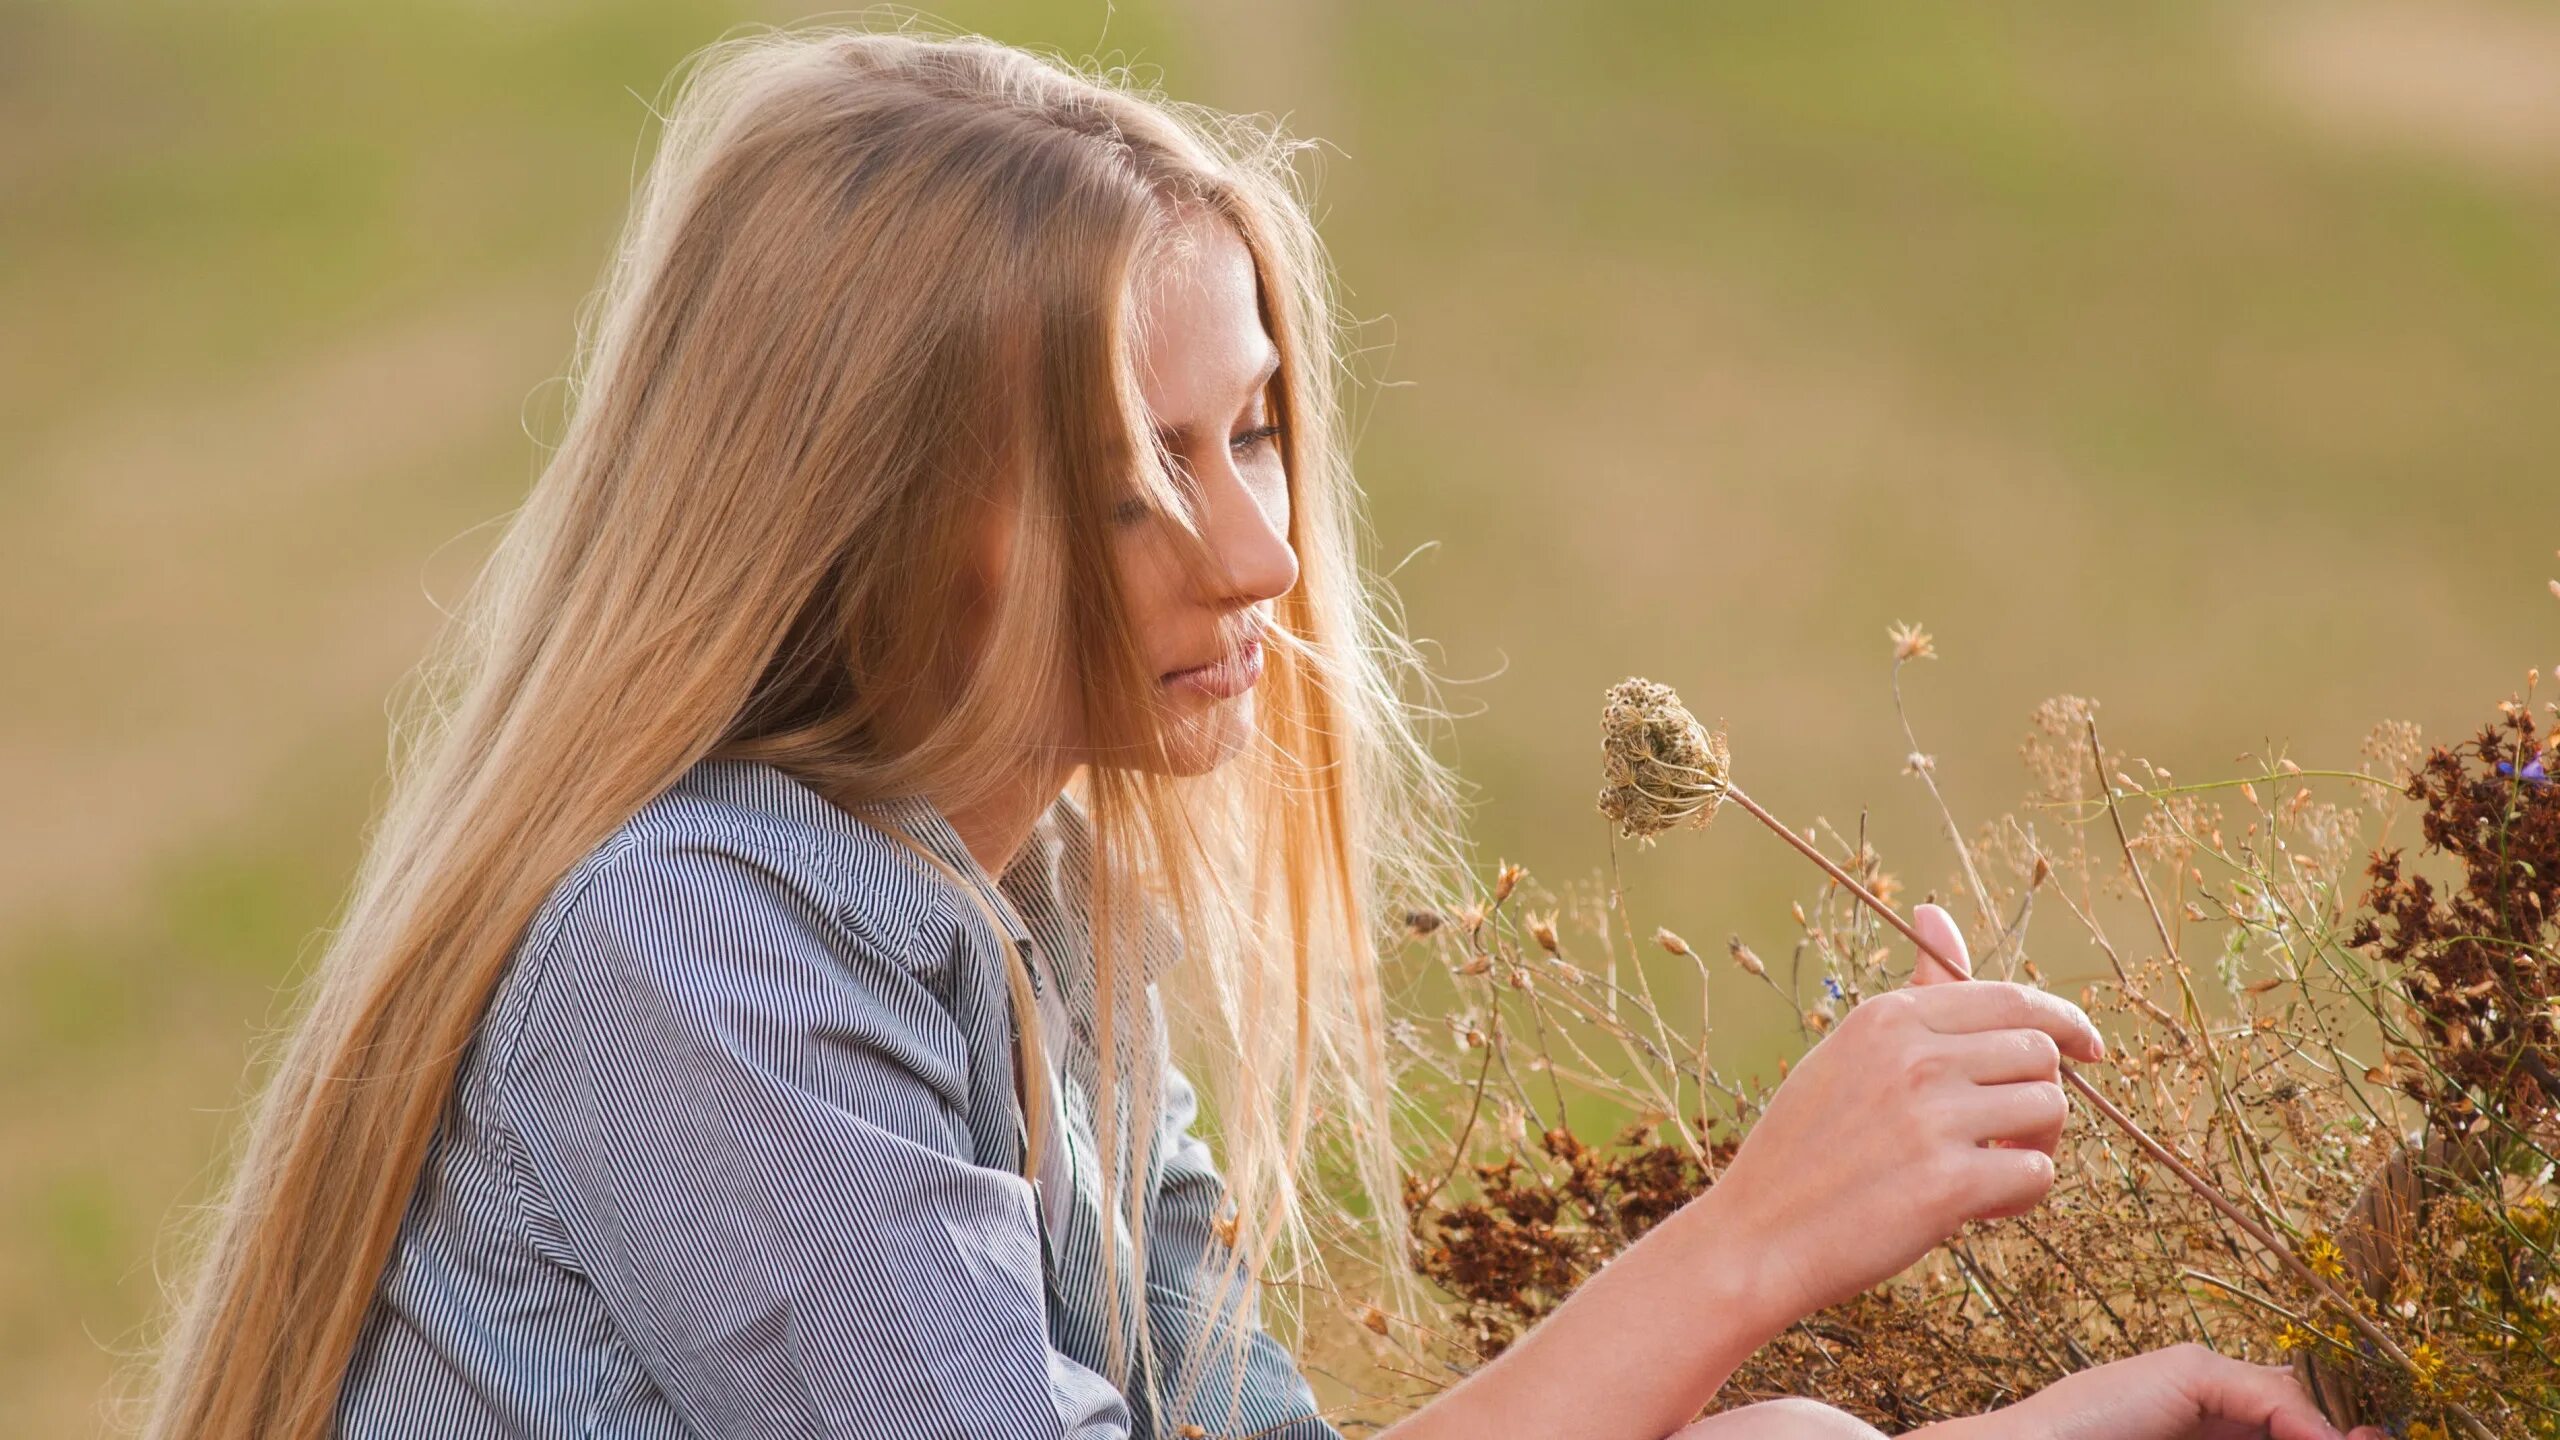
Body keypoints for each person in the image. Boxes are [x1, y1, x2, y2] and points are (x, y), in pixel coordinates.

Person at [137, 23, 2383, 1440]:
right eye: (1142, 475)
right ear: (884, 513)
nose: (1261, 558)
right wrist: (1747, 1245)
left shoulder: (1033, 910)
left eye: (1263, 433)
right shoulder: (694, 969)